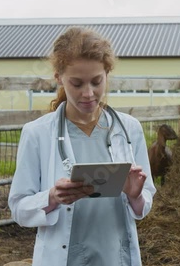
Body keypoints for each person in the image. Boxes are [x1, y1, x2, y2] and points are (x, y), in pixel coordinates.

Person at [8, 26, 156, 266]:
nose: (88, 93)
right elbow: (19, 209)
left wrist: (135, 194)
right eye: (77, 84)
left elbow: (143, 205)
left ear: (107, 73)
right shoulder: (37, 134)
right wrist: (52, 198)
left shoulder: (130, 129)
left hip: (116, 257)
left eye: (97, 82)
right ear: (59, 78)